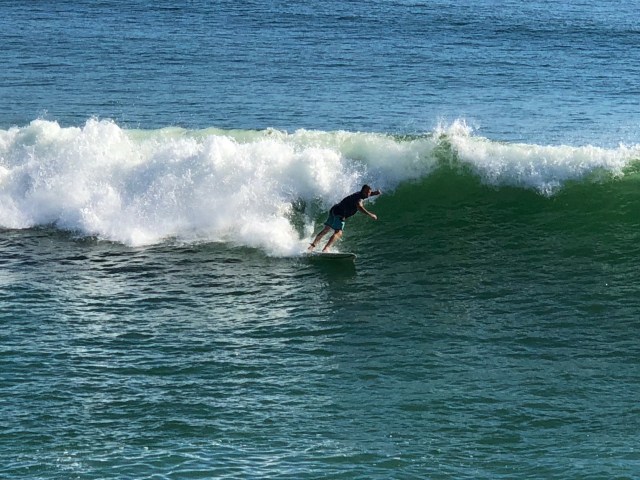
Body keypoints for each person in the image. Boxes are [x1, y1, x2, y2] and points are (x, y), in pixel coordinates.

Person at [308, 184, 381, 252]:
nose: (368, 194)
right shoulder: (359, 199)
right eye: (367, 192)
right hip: (340, 214)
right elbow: (359, 206)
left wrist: (374, 193)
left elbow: (367, 195)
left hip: (334, 210)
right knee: (338, 232)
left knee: (326, 229)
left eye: (369, 192)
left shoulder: (359, 194)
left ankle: (312, 246)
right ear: (363, 191)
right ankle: (326, 248)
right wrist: (370, 214)